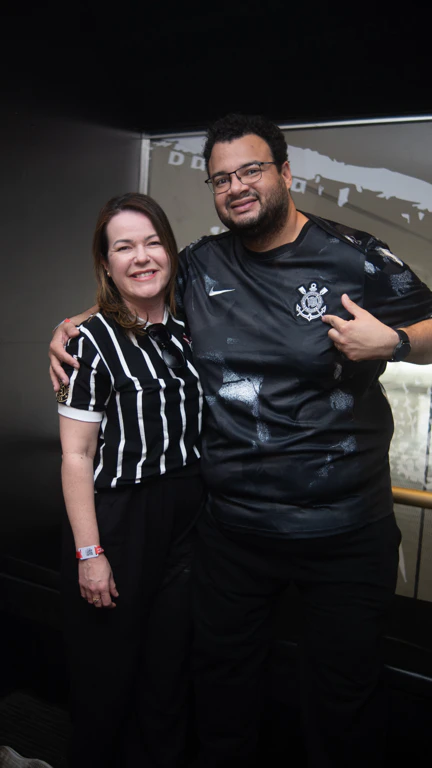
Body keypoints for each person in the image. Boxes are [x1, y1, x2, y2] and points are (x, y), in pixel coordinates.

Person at [50, 115, 432, 768]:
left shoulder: (355, 254)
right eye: (222, 178)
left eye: (251, 169)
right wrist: (74, 326)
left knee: (343, 705)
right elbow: (138, 293)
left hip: (344, 532)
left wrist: (394, 342)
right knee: (222, 698)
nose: (237, 187)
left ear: (285, 172)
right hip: (232, 534)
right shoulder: (201, 263)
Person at [56, 192, 204, 768]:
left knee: (168, 673)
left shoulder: (191, 328)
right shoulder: (88, 341)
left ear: (169, 250)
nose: (141, 257)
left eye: (152, 242)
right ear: (106, 262)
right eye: (124, 247)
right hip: (118, 521)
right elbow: (75, 455)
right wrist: (89, 552)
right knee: (106, 678)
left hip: (188, 518)